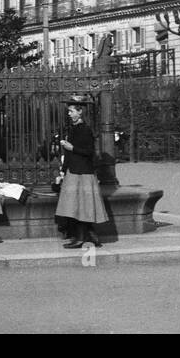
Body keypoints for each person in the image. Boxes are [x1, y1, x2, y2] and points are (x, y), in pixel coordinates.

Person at [55, 95, 108, 249]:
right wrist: (63, 171)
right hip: (75, 171)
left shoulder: (85, 129)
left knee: (80, 206)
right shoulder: (74, 128)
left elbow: (89, 152)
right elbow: (70, 156)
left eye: (72, 111)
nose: (69, 114)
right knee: (78, 205)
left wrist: (72, 148)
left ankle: (81, 238)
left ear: (80, 112)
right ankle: (91, 236)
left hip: (82, 173)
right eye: (69, 111)